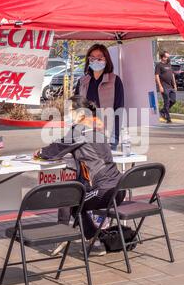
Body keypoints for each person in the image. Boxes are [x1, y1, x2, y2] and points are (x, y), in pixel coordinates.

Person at [36, 96, 126, 256]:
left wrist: (40, 153)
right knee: (78, 196)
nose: (66, 113)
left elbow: (55, 150)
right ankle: (94, 242)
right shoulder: (96, 125)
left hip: (104, 191)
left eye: (69, 110)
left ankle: (63, 236)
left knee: (69, 199)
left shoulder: (80, 129)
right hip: (118, 189)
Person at [75, 44, 124, 150]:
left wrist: (114, 138)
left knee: (104, 166)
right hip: (85, 135)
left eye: (99, 57)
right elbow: (76, 109)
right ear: (88, 60)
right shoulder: (82, 81)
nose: (95, 60)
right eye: (92, 57)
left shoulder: (115, 81)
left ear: (106, 59)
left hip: (107, 136)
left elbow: (118, 110)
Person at [155, 51, 177, 124]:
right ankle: (168, 119)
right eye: (166, 57)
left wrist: (174, 84)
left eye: (168, 57)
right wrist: (160, 86)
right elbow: (157, 76)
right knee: (166, 102)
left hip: (170, 86)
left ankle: (162, 111)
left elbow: (172, 75)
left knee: (173, 100)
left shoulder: (169, 64)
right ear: (163, 57)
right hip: (164, 86)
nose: (168, 58)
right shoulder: (159, 65)